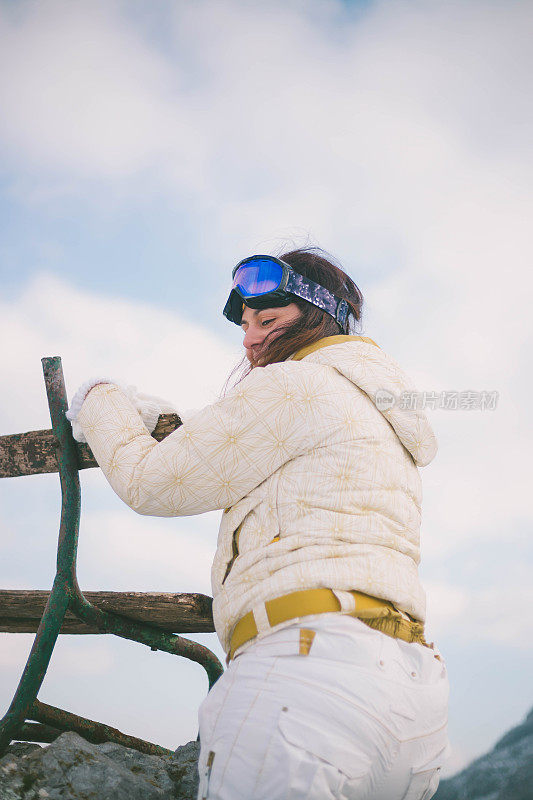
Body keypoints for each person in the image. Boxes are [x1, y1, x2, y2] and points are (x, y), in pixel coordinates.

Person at [66, 247, 450, 800]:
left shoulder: (296, 386)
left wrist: (99, 400)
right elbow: (239, 441)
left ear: (319, 320)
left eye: (267, 321)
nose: (249, 340)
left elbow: (152, 482)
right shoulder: (377, 412)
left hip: (308, 680)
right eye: (245, 325)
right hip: (414, 700)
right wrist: (150, 415)